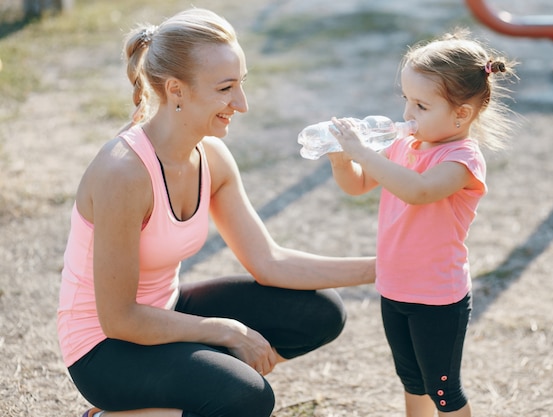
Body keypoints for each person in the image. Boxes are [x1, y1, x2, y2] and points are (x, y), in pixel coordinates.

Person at [57, 8, 375, 417]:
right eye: (226, 88)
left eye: (241, 85)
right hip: (104, 347)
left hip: (165, 313)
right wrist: (224, 330)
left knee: (318, 313)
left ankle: (207, 387)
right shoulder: (123, 172)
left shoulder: (212, 156)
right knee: (247, 397)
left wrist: (383, 267)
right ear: (176, 91)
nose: (241, 104)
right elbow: (119, 318)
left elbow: (269, 261)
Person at [326, 30, 517, 417]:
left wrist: (364, 150)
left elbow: (418, 190)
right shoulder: (403, 145)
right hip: (395, 287)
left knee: (442, 390)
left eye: (421, 106)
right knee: (411, 380)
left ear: (461, 114)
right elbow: (357, 185)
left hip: (437, 298)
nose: (408, 115)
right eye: (406, 101)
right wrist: (342, 159)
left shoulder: (462, 160)